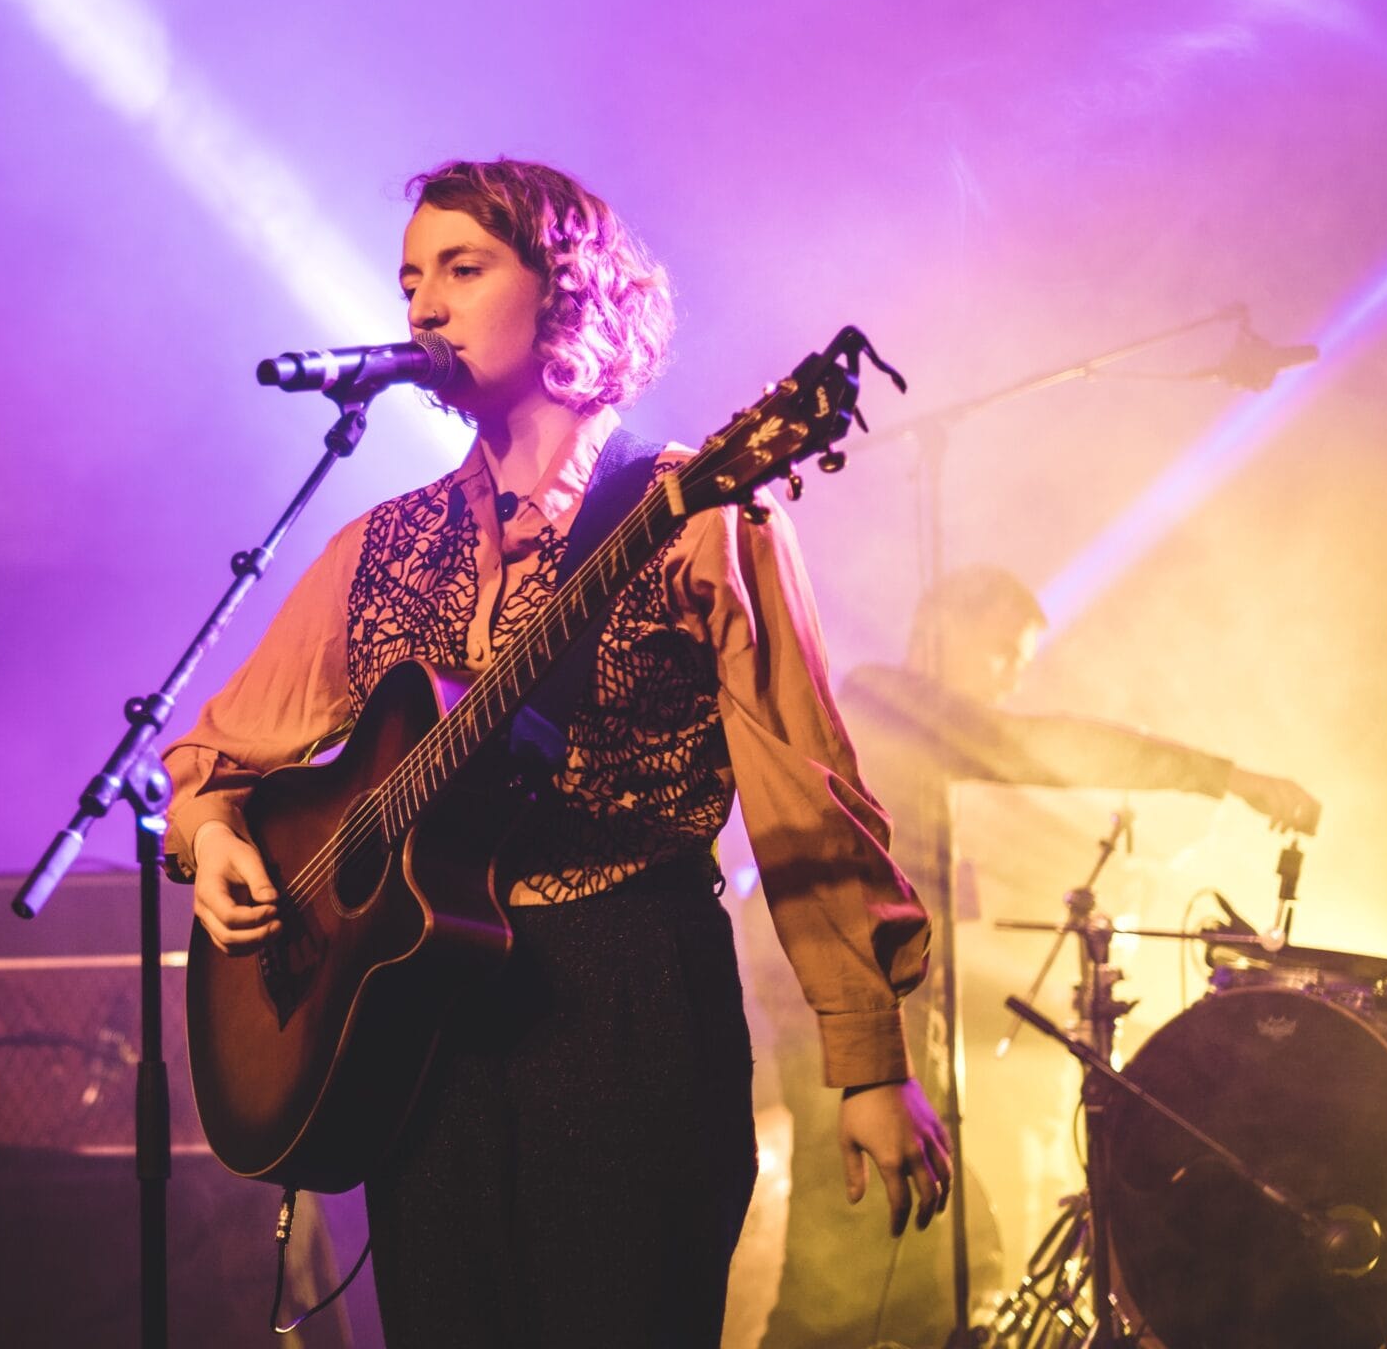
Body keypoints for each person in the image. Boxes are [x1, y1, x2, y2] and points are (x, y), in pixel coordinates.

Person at [164, 158, 952, 1348]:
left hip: (627, 996)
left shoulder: (698, 511)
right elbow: (212, 756)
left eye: (462, 269)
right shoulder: (380, 546)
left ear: (568, 293)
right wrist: (213, 833)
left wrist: (869, 1061)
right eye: (409, 280)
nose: (423, 306)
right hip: (419, 1023)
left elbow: (808, 799)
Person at [755, 563, 1321, 1349]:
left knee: (923, 1269)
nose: (1012, 675)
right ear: (940, 629)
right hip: (844, 1020)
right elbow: (1036, 747)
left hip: (882, 1019)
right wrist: (1222, 777)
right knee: (848, 1275)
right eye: (1001, 651)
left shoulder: (921, 756)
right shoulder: (882, 696)